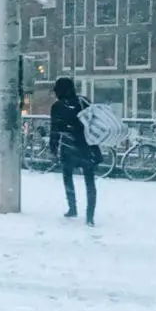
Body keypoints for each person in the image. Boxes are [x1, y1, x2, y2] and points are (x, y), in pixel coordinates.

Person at [49, 77, 102, 227]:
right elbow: (94, 123)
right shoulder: (83, 102)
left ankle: (72, 208)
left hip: (68, 147)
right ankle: (90, 216)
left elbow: (55, 130)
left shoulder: (57, 107)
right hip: (87, 146)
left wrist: (53, 148)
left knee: (67, 177)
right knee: (90, 181)